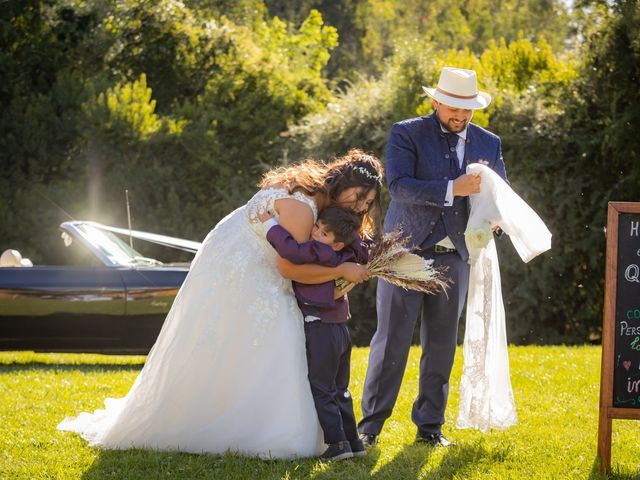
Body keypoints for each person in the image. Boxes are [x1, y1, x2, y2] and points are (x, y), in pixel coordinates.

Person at [58, 149, 383, 459]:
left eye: (367, 203)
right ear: (341, 183)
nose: (360, 207)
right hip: (247, 268)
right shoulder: (303, 209)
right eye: (358, 197)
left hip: (231, 253)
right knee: (274, 333)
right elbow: (289, 267)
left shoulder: (313, 196)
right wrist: (340, 271)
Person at [358, 67, 508, 448]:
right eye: (453, 109)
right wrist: (452, 188)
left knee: (441, 345)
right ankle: (370, 427)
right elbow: (399, 186)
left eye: (467, 111)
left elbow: (500, 194)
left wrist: (495, 220)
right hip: (402, 252)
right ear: (436, 101)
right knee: (391, 341)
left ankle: (429, 428)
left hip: (455, 255)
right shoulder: (405, 132)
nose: (460, 117)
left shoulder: (489, 142)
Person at [262, 206, 373, 461]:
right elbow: (362, 247)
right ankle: (354, 441)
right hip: (340, 328)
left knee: (322, 388)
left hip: (320, 326)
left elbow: (291, 250)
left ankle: (337, 444)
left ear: (336, 244)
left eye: (323, 233)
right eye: (317, 227)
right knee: (340, 388)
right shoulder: (347, 251)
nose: (315, 233)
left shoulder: (320, 251)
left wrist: (270, 224)